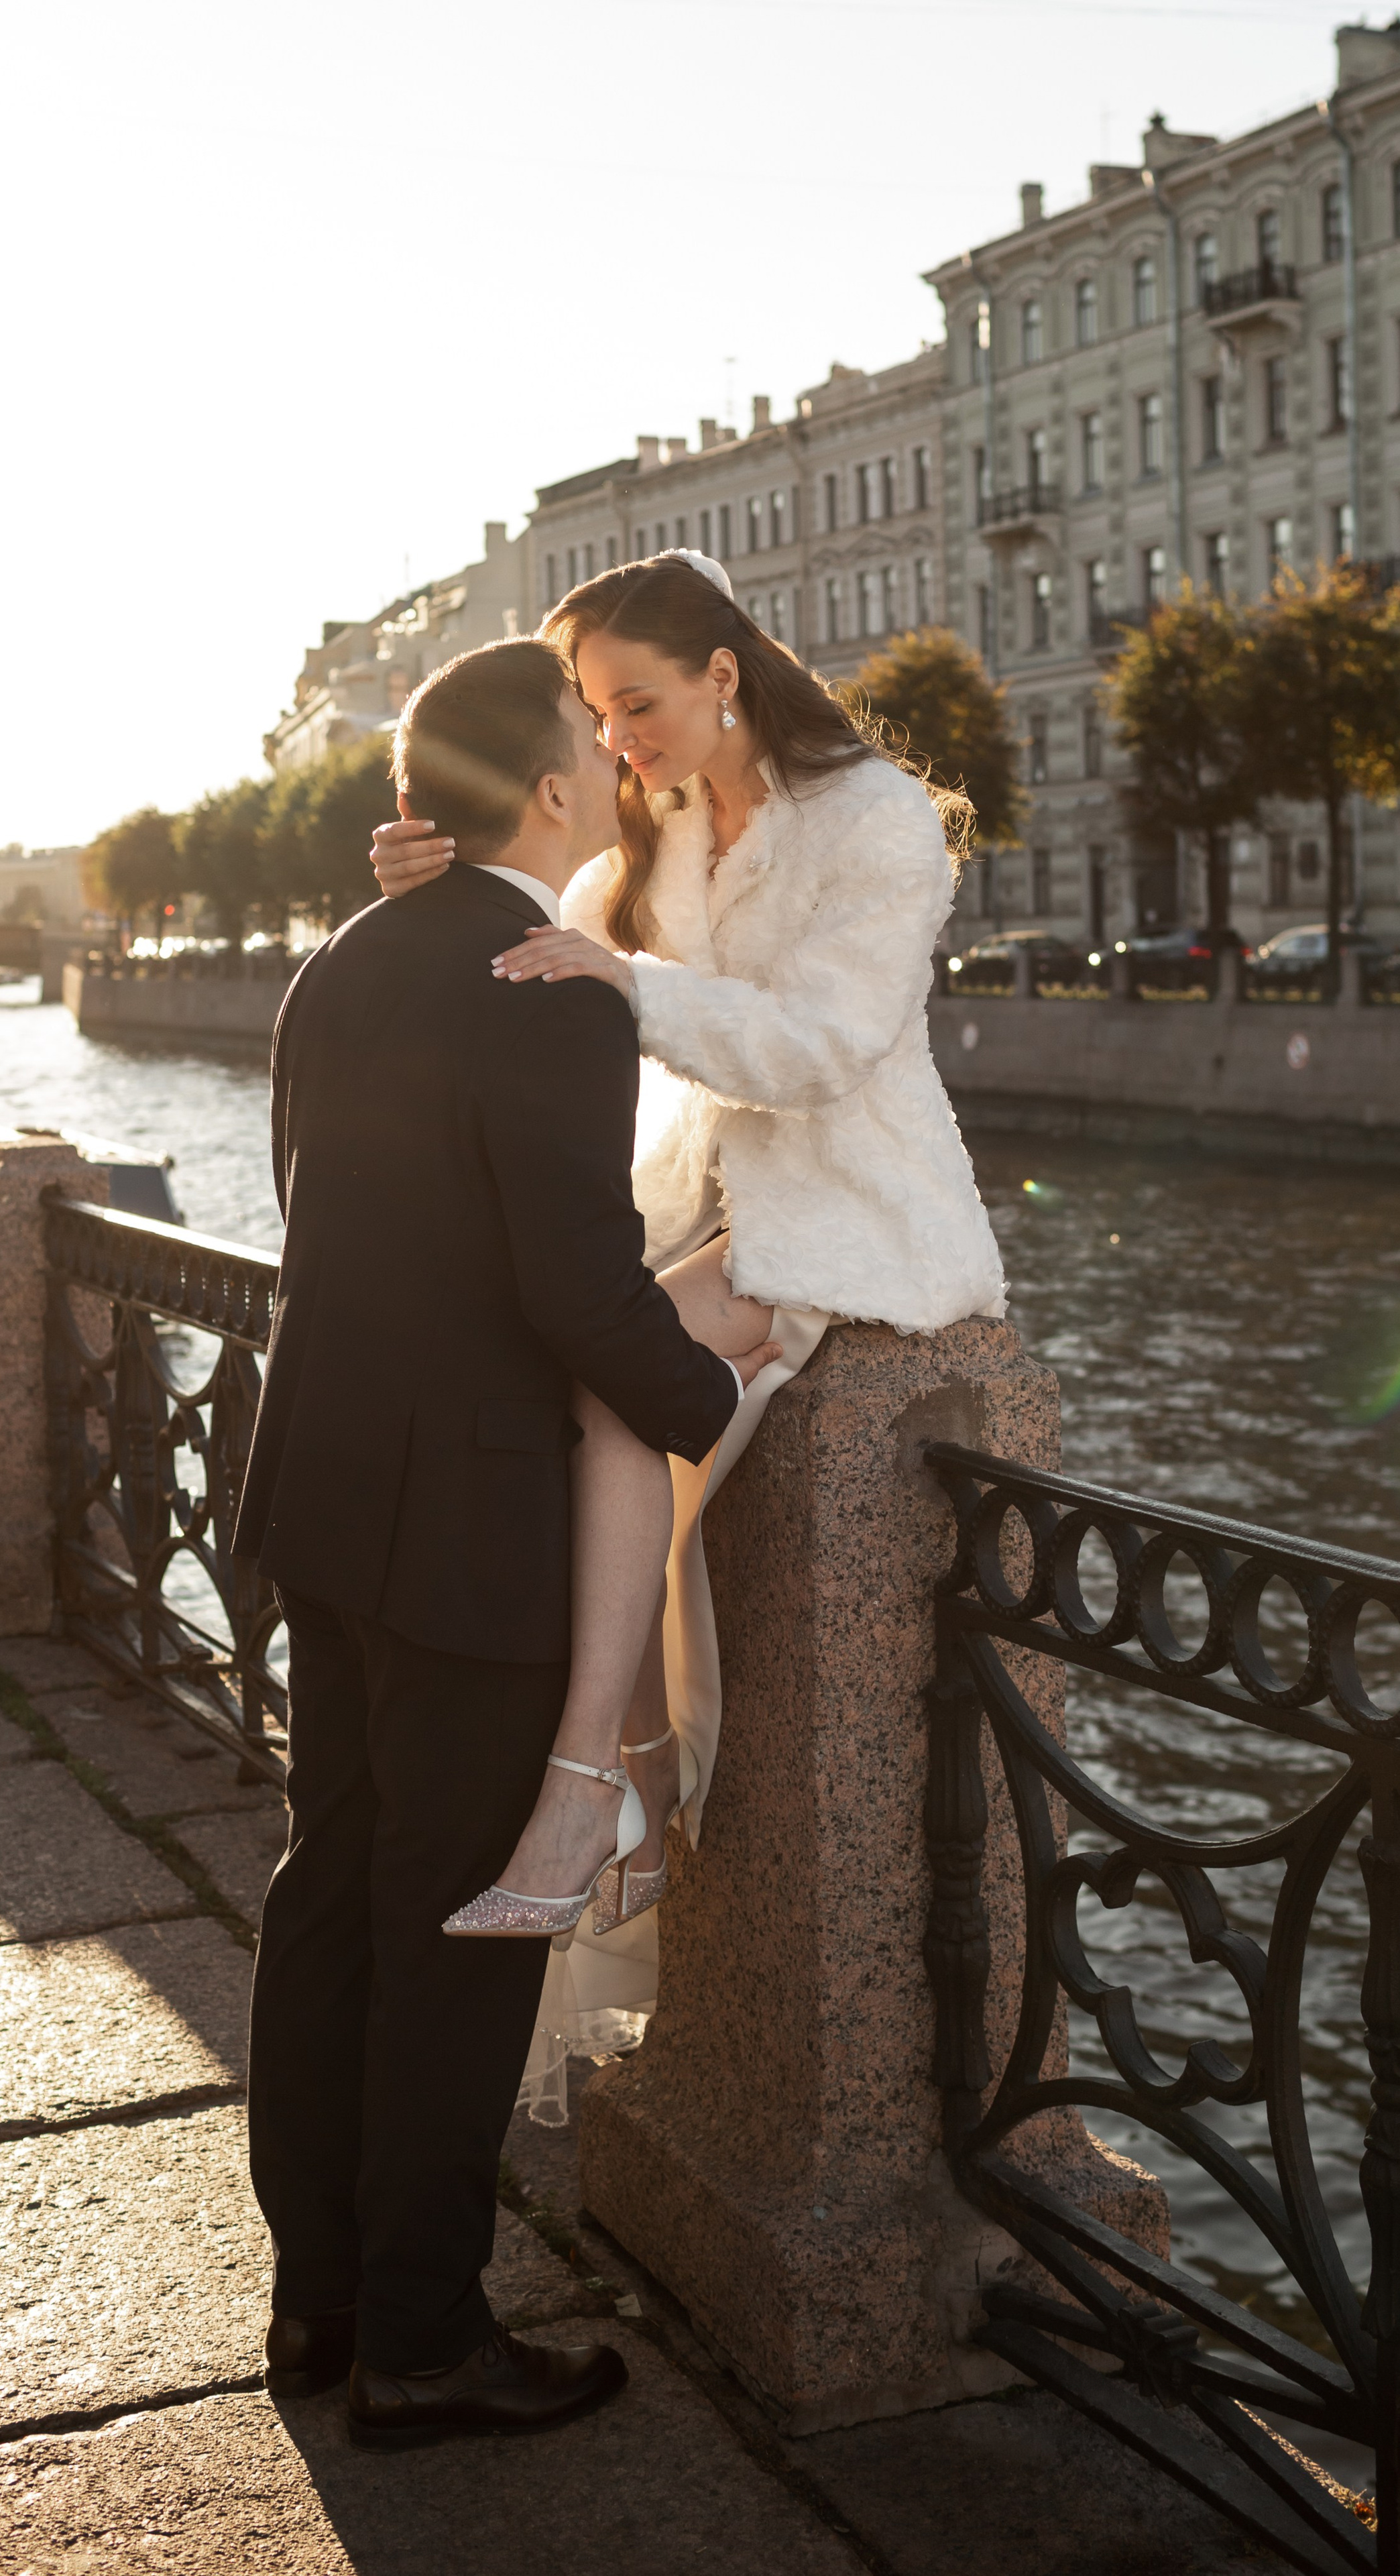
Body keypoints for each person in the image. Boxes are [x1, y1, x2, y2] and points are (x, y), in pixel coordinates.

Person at [233, 635, 777, 2447]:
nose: (618, 765)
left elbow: (357, 1222)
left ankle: (316, 2300)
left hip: (322, 1484)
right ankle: (425, 2340)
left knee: (337, 1889)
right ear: (549, 793)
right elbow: (575, 1290)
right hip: (464, 1515)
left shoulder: (348, 956)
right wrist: (724, 1391)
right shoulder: (551, 984)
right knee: (465, 1928)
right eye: (589, 745)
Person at [369, 553, 1006, 2017]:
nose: (611, 742)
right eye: (594, 712)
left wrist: (633, 988)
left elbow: (828, 1044)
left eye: (633, 703)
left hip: (861, 1207)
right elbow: (547, 919)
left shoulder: (876, 817)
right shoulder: (659, 810)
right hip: (716, 1197)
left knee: (607, 1377)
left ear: (722, 673)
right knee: (580, 1367)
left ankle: (591, 1780)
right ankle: (630, 1773)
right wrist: (441, 870)